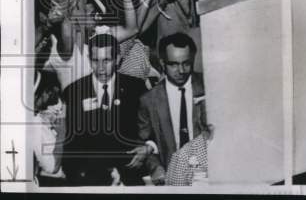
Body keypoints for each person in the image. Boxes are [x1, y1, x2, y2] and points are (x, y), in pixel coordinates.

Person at [61, 33, 148, 185]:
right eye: (95, 60)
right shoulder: (73, 91)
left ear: (117, 59)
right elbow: (70, 146)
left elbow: (151, 128)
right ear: (89, 59)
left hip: (130, 173)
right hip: (89, 177)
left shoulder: (136, 87)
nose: (100, 68)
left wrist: (148, 148)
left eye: (106, 60)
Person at [135, 33, 205, 184]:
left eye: (186, 63)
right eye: (173, 64)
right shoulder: (149, 100)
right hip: (171, 177)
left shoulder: (208, 86)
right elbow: (144, 143)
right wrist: (155, 167)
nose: (181, 70)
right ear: (162, 63)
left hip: (206, 175)